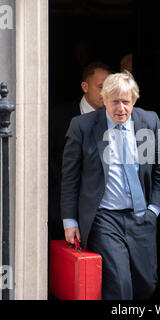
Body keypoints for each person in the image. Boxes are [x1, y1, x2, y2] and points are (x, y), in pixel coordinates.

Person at [60, 72, 160, 300]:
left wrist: (154, 210)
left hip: (141, 217)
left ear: (134, 101)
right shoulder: (83, 126)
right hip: (104, 219)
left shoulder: (150, 121)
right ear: (104, 100)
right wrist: (70, 221)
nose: (121, 108)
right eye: (115, 101)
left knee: (146, 283)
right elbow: (70, 178)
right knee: (120, 285)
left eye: (126, 102)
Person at [48, 62, 111, 241]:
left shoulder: (116, 117)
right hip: (61, 213)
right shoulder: (59, 117)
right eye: (100, 87)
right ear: (85, 86)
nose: (106, 92)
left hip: (103, 216)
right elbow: (47, 160)